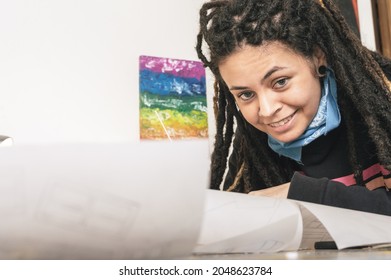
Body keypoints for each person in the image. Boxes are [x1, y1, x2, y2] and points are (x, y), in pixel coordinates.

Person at [196, 0, 391, 216]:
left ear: (317, 57)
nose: (267, 110)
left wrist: (303, 194)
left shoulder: (382, 101)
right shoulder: (252, 145)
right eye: (246, 94)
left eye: (280, 82)